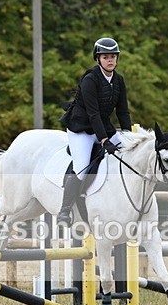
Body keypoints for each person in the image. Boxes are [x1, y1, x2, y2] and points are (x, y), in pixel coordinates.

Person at [57, 37, 132, 225]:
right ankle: (64, 210)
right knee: (82, 167)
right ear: (98, 59)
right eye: (105, 57)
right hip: (81, 128)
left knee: (130, 154)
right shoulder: (90, 80)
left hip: (101, 126)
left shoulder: (119, 80)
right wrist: (105, 140)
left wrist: (130, 137)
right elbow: (93, 113)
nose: (110, 60)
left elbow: (123, 111)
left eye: (113, 56)